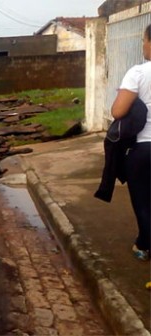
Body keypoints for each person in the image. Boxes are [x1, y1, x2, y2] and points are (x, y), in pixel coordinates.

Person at [111, 24, 151, 261]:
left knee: (144, 201)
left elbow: (118, 111)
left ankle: (144, 245)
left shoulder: (138, 73)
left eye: (144, 41)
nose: (143, 46)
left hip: (144, 147)